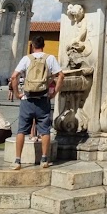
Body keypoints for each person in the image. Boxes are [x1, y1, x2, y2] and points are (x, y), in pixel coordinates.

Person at [10, 35, 64, 169]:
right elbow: (61, 75)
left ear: (33, 46)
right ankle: (44, 159)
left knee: (21, 131)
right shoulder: (50, 58)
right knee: (45, 131)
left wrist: (17, 93)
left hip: (27, 99)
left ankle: (17, 161)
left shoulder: (26, 59)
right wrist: (54, 93)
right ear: (43, 45)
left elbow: (13, 76)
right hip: (43, 99)